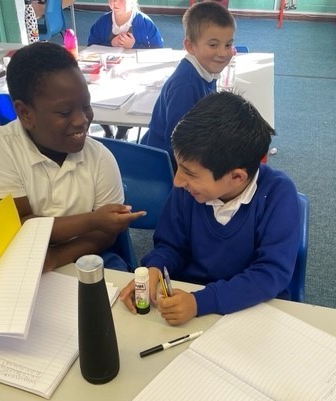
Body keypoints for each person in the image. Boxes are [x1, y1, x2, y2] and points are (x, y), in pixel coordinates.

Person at [120, 92, 301, 325]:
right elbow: (171, 246)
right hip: (190, 299)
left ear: (236, 177)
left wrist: (200, 302)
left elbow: (270, 274)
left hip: (252, 309)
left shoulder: (278, 194)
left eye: (189, 172)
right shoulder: (188, 190)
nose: (177, 181)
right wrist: (155, 267)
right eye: (179, 166)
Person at [0, 42, 145, 272]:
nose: (82, 120)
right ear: (25, 113)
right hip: (18, 259)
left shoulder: (100, 158)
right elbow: (13, 229)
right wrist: (93, 220)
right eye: (64, 112)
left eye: (86, 105)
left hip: (84, 257)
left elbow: (105, 234)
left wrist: (55, 258)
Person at [140, 1, 235, 165]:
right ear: (190, 46)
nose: (223, 53)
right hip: (164, 165)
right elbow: (179, 146)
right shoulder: (186, 86)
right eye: (213, 45)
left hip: (183, 152)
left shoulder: (205, 69)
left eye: (228, 44)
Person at [88, 0, 164, 141]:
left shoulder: (144, 23)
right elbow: (91, 46)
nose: (115, 2)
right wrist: (110, 44)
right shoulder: (103, 22)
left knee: (129, 99)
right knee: (99, 98)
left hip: (133, 73)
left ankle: (123, 130)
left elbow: (158, 51)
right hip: (107, 73)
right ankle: (107, 129)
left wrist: (134, 45)